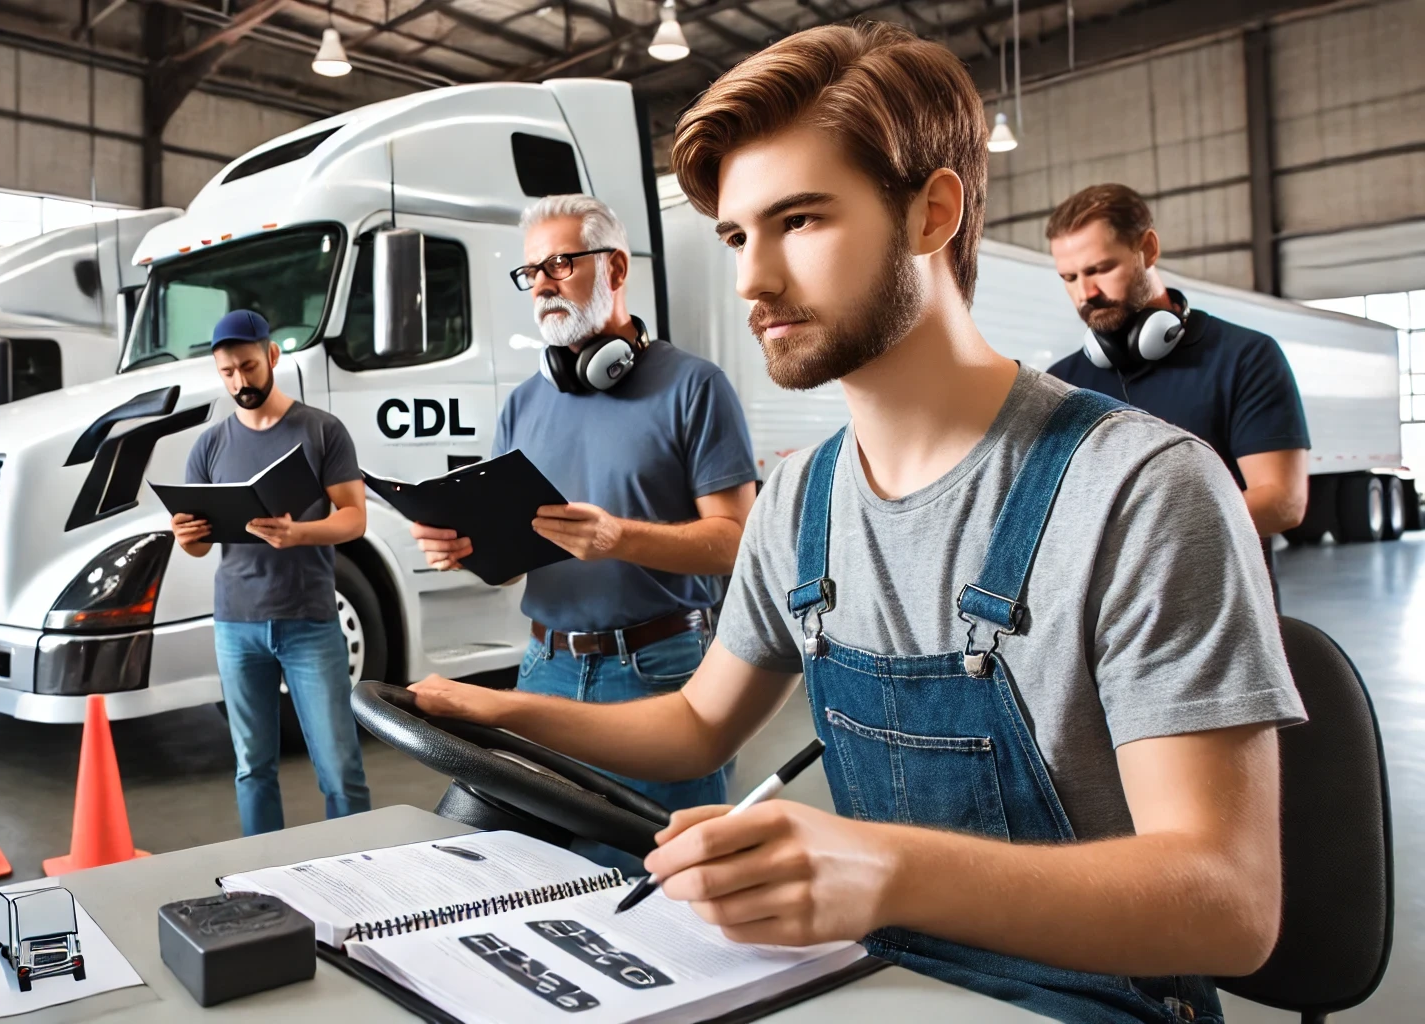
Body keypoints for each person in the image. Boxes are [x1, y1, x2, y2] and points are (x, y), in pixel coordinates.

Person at [406, 24, 1302, 1024]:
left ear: (932, 212)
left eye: (800, 221)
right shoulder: (803, 499)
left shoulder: (1141, 490)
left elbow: (1228, 905)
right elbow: (699, 721)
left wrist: (884, 869)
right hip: (881, 980)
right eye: (740, 236)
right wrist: (502, 714)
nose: (753, 279)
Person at [410, 194, 759, 825]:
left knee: (664, 885)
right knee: (539, 877)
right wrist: (465, 552)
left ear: (617, 269)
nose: (541, 285)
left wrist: (618, 538)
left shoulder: (694, 387)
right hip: (542, 668)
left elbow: (738, 541)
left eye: (560, 264)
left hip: (659, 674)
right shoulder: (523, 404)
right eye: (530, 273)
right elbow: (512, 564)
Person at [1044, 183, 1309, 601]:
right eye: (1070, 277)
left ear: (1147, 249)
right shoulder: (1061, 383)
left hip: (1225, 612)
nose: (1085, 294)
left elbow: (1283, 503)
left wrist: (1143, 537)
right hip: (1106, 630)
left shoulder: (1245, 356)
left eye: (1099, 269)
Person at [172, 309, 371, 837]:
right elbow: (199, 546)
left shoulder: (321, 431)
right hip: (236, 624)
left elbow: (354, 519)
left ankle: (361, 876)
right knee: (252, 768)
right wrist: (187, 539)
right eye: (228, 373)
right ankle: (265, 881)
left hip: (310, 620)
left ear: (273, 356)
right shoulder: (210, 446)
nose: (240, 381)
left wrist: (299, 533)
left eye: (249, 367)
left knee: (339, 771)